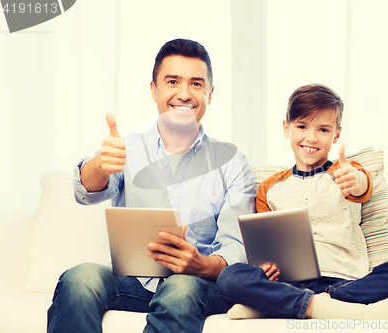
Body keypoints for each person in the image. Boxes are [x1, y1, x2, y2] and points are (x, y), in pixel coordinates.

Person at [47, 39, 256, 333]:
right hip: (134, 281)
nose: (184, 94)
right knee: (79, 279)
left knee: (180, 289)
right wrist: (99, 166)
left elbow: (236, 248)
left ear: (210, 93)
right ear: (154, 90)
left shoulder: (233, 163)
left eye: (196, 84)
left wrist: (202, 265)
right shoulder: (128, 147)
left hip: (198, 284)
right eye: (172, 81)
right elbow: (86, 192)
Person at [216, 84, 388, 320]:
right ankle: (337, 308)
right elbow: (263, 247)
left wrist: (356, 181)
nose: (311, 137)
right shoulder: (268, 188)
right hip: (289, 283)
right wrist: (264, 269)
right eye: (302, 126)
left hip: (345, 281)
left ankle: (293, 305)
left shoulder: (346, 171)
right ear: (286, 128)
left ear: (336, 134)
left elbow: (361, 185)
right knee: (230, 277)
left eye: (323, 130)